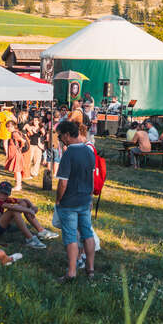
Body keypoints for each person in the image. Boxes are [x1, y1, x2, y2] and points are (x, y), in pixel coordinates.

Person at [54, 120, 97, 282]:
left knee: (71, 237)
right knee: (87, 233)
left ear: (66, 135)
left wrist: (58, 200)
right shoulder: (89, 151)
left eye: (60, 136)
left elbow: (63, 182)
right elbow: (91, 178)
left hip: (69, 202)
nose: (60, 139)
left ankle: (71, 272)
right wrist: (90, 196)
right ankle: (90, 269)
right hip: (85, 199)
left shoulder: (69, 153)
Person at [0, 181, 59, 248]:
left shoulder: (5, 199)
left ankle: (42, 231)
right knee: (14, 210)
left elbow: (24, 200)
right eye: (1, 192)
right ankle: (30, 239)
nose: (3, 195)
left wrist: (32, 206)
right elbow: (10, 206)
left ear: (8, 194)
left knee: (23, 204)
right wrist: (29, 210)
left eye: (5, 194)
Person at [4, 120, 28, 191]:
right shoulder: (14, 133)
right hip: (15, 154)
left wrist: (20, 148)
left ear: (12, 126)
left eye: (8, 127)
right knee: (16, 170)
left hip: (16, 154)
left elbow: (23, 141)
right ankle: (18, 185)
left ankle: (18, 185)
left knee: (17, 170)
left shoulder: (15, 133)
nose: (7, 129)